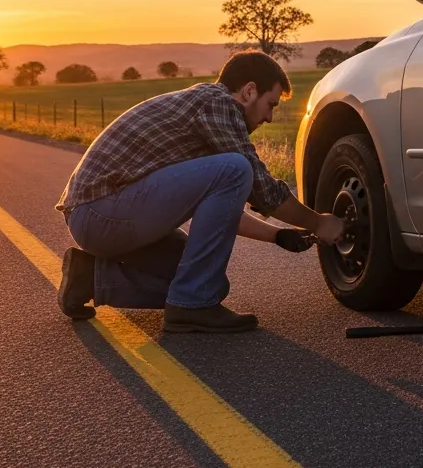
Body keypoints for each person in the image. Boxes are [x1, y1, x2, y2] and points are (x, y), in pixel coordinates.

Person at [55, 50, 346, 333]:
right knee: (237, 169)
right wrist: (318, 222)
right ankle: (191, 307)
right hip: (100, 212)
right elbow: (261, 187)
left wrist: (278, 235)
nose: (269, 117)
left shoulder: (203, 112)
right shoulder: (217, 104)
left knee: (196, 279)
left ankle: (89, 279)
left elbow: (222, 207)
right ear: (248, 91)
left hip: (100, 215)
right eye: (271, 104)